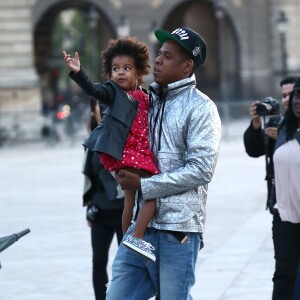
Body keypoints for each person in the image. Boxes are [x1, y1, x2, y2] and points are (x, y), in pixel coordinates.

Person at [109, 27, 221, 299]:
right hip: (140, 230)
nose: (157, 60)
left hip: (177, 230)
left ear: (186, 67)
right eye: (159, 54)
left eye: (167, 56)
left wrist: (146, 185)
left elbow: (201, 169)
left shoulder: (202, 108)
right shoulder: (147, 102)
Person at [63, 37, 160, 262]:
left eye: (127, 68)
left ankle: (128, 240)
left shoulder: (146, 96)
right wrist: (79, 73)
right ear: (110, 72)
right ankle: (135, 236)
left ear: (139, 73)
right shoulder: (112, 92)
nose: (121, 73)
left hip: (139, 151)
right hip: (126, 153)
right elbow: (94, 90)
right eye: (116, 69)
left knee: (133, 199)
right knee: (153, 192)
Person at [243, 76, 300, 299]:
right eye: (286, 96)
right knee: (284, 274)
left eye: (292, 94)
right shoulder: (279, 125)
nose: (289, 100)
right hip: (283, 210)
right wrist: (256, 124)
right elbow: (254, 149)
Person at [82, 98, 124, 300]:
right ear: (94, 111)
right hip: (100, 212)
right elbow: (90, 179)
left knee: (125, 264)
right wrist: (89, 206)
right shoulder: (92, 141)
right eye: (101, 106)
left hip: (124, 211)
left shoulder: (125, 137)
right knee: (98, 261)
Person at [272, 79, 300, 299]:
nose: (297, 100)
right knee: (283, 276)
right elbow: (253, 146)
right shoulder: (284, 129)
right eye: (296, 96)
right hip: (284, 216)